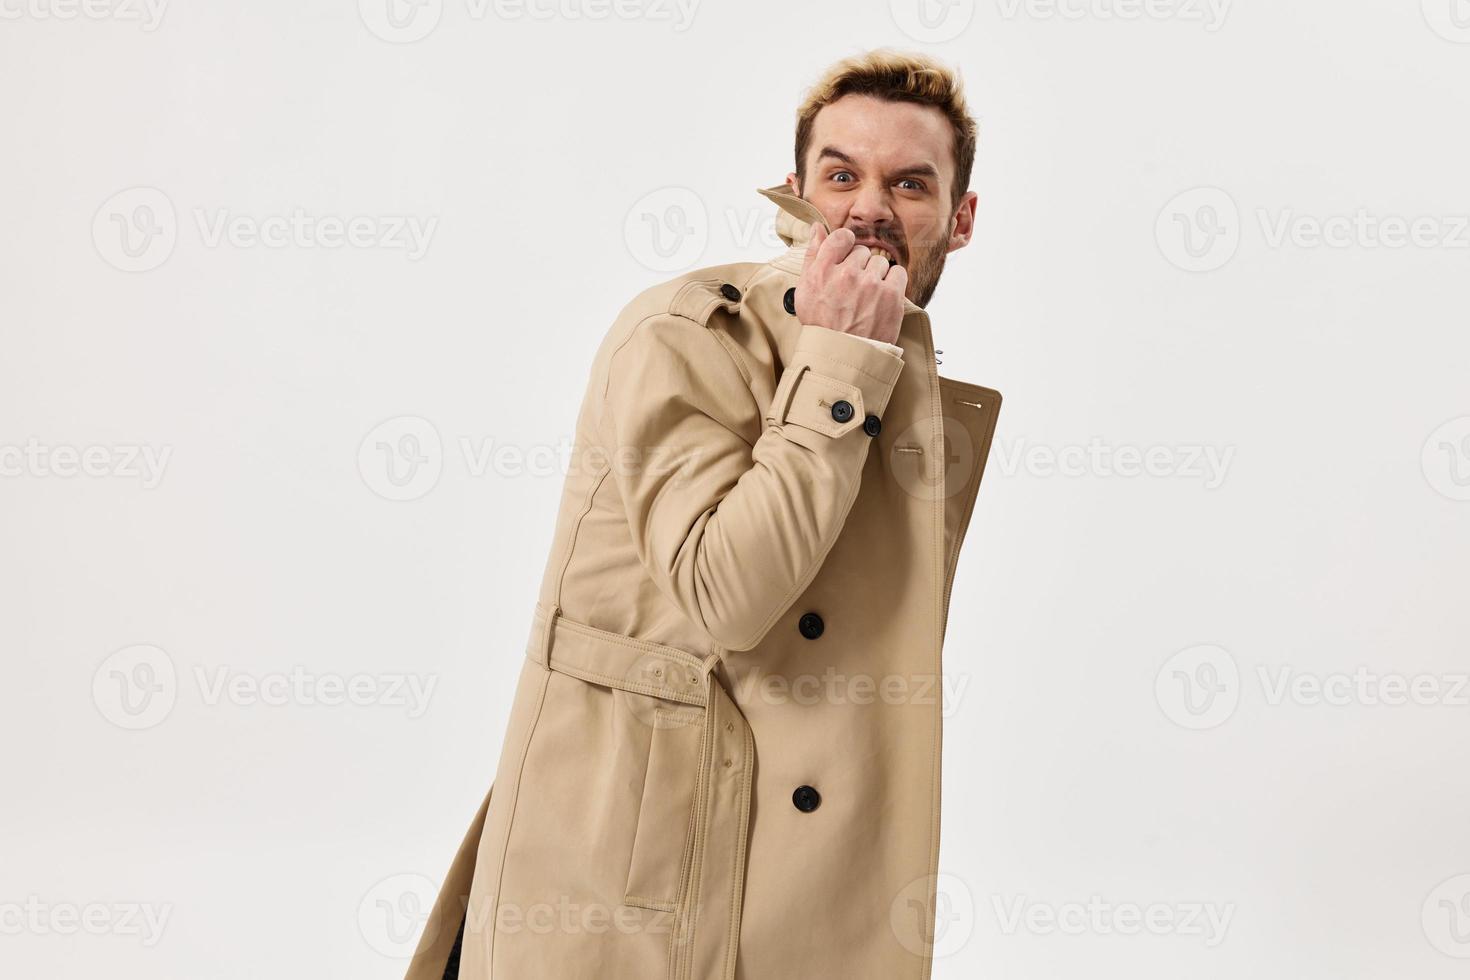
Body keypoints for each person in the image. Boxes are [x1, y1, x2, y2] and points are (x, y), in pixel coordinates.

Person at [406, 47, 1003, 980]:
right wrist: (840, 364)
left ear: (959, 221)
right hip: (636, 889)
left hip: (796, 882)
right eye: (841, 174)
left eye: (910, 183)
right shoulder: (687, 336)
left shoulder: (902, 376)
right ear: (797, 188)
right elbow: (726, 592)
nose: (869, 209)